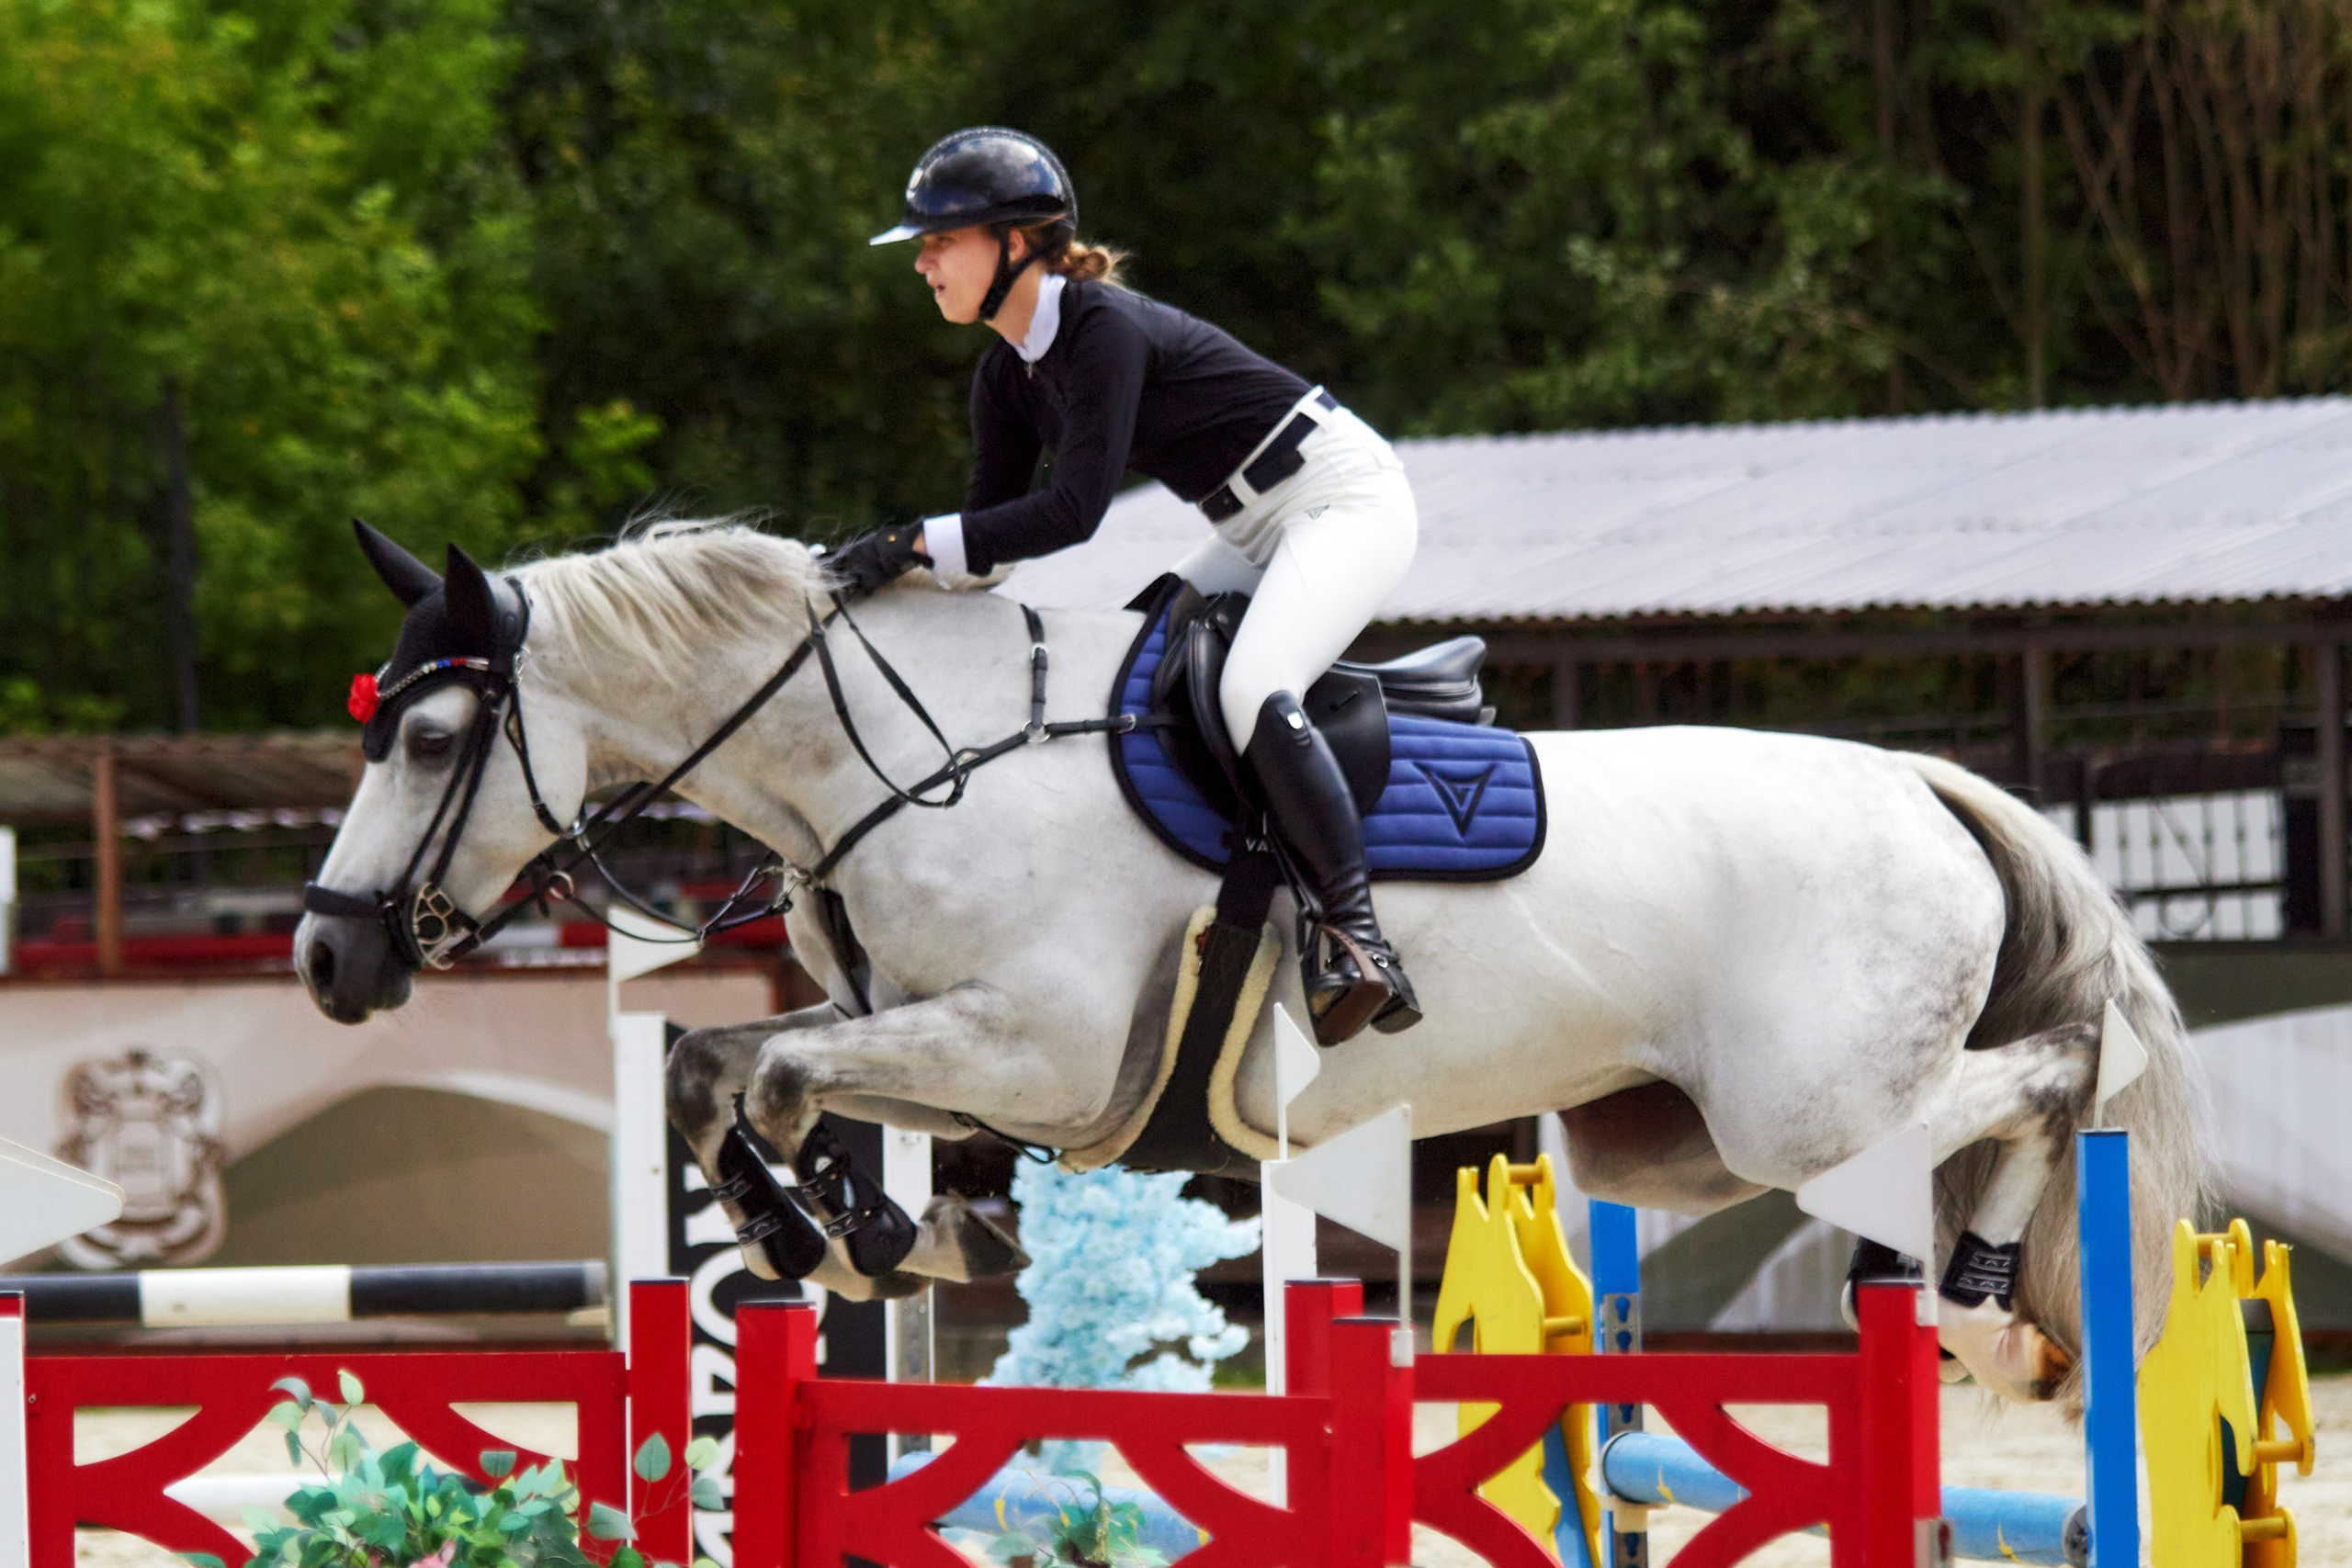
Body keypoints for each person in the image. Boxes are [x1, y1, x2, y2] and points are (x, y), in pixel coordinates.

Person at [841, 126, 1420, 1045]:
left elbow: (1072, 512)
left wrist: (910, 541)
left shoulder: (1099, 327)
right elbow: (990, 550)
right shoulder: (1006, 373)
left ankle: (1357, 938)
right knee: (1132, 662)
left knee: (1247, 687)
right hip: (1251, 525)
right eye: (922, 246)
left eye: (939, 241)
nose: (922, 263)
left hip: (1344, 499)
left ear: (1018, 241)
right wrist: (883, 583)